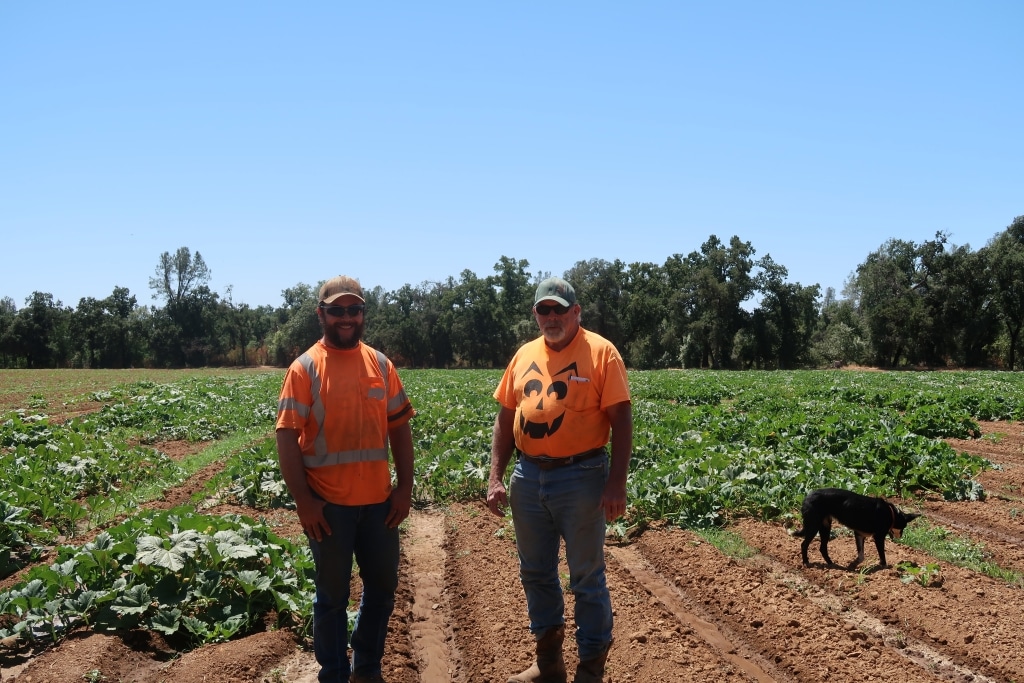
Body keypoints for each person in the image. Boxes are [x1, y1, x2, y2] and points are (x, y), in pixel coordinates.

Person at [487, 276, 633, 683]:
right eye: (543, 310)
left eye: (559, 309)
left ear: (575, 312)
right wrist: (495, 477)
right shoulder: (523, 355)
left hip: (582, 475)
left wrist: (616, 482)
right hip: (528, 476)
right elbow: (504, 418)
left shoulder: (601, 353)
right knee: (535, 572)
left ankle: (590, 670)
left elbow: (622, 420)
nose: (551, 317)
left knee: (586, 576)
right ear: (535, 314)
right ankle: (549, 663)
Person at [276, 275, 415, 683]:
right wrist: (303, 499)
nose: (346, 317)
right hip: (328, 507)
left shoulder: (380, 364)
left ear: (362, 314)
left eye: (354, 310)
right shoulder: (304, 368)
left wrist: (404, 488)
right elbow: (286, 436)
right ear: (322, 314)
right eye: (337, 310)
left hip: (378, 506)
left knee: (382, 589)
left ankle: (366, 669)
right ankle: (334, 673)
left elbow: (399, 428)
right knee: (332, 598)